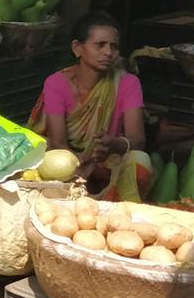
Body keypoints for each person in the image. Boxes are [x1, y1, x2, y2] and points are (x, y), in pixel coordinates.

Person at [28, 11, 147, 195]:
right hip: (68, 158)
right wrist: (78, 160)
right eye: (100, 45)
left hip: (108, 162)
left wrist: (113, 144)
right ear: (77, 48)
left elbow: (138, 140)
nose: (108, 52)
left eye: (114, 46)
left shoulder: (127, 83)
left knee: (141, 162)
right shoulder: (56, 83)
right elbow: (57, 141)